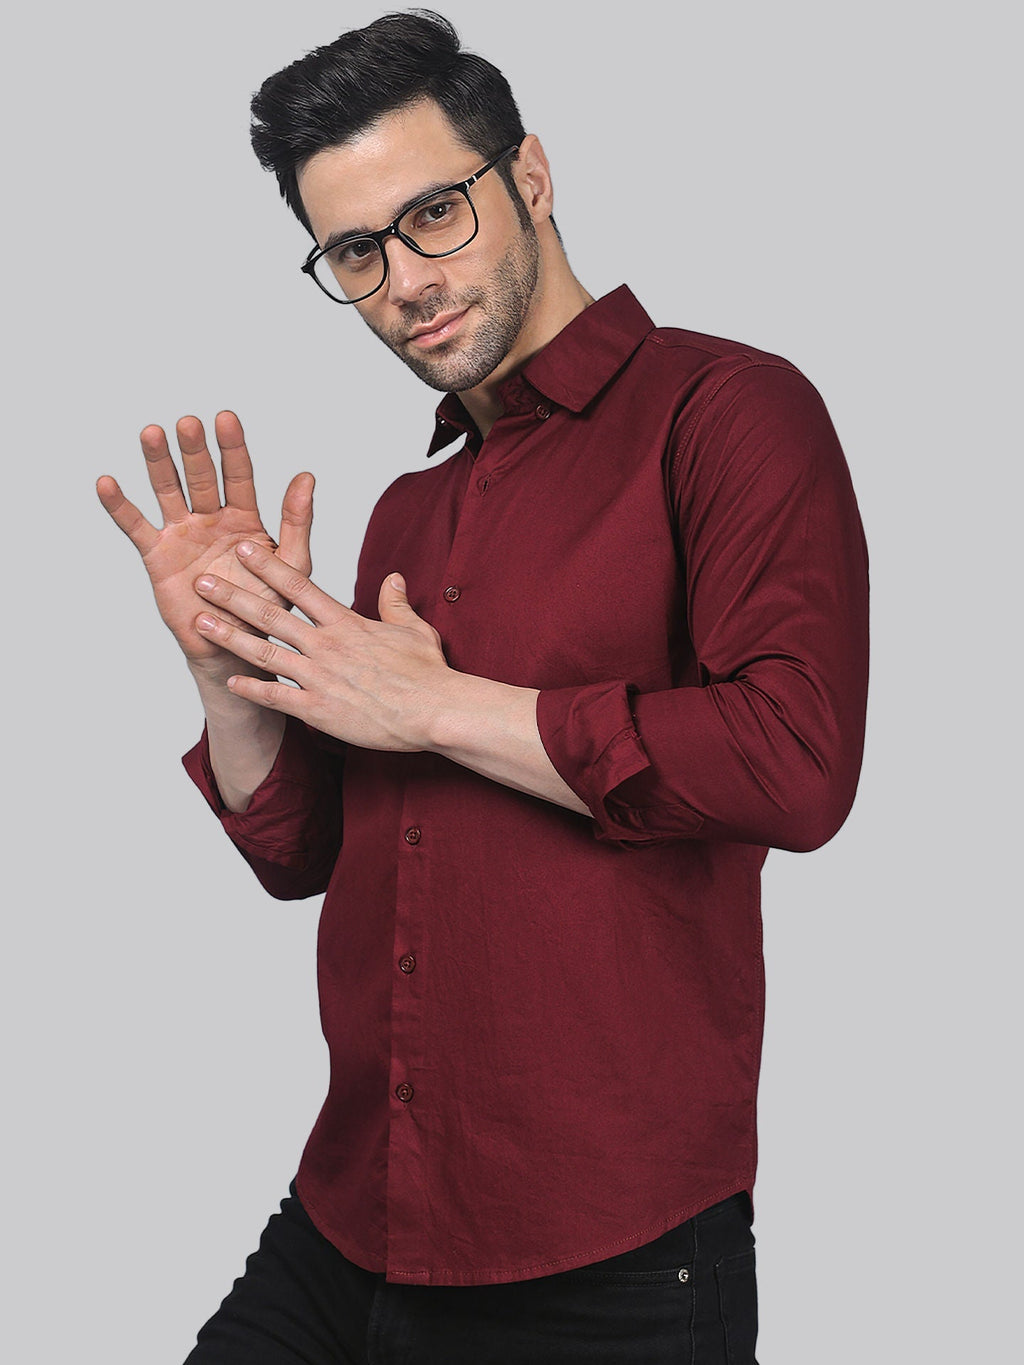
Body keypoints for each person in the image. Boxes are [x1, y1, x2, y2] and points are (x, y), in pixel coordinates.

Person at [97, 11, 868, 1363]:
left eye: (435, 213)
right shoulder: (407, 510)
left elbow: (797, 757)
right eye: (355, 249)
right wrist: (231, 681)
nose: (405, 278)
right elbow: (317, 855)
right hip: (351, 1216)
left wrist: (443, 705)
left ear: (531, 178)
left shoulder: (730, 411)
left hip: (607, 1262)